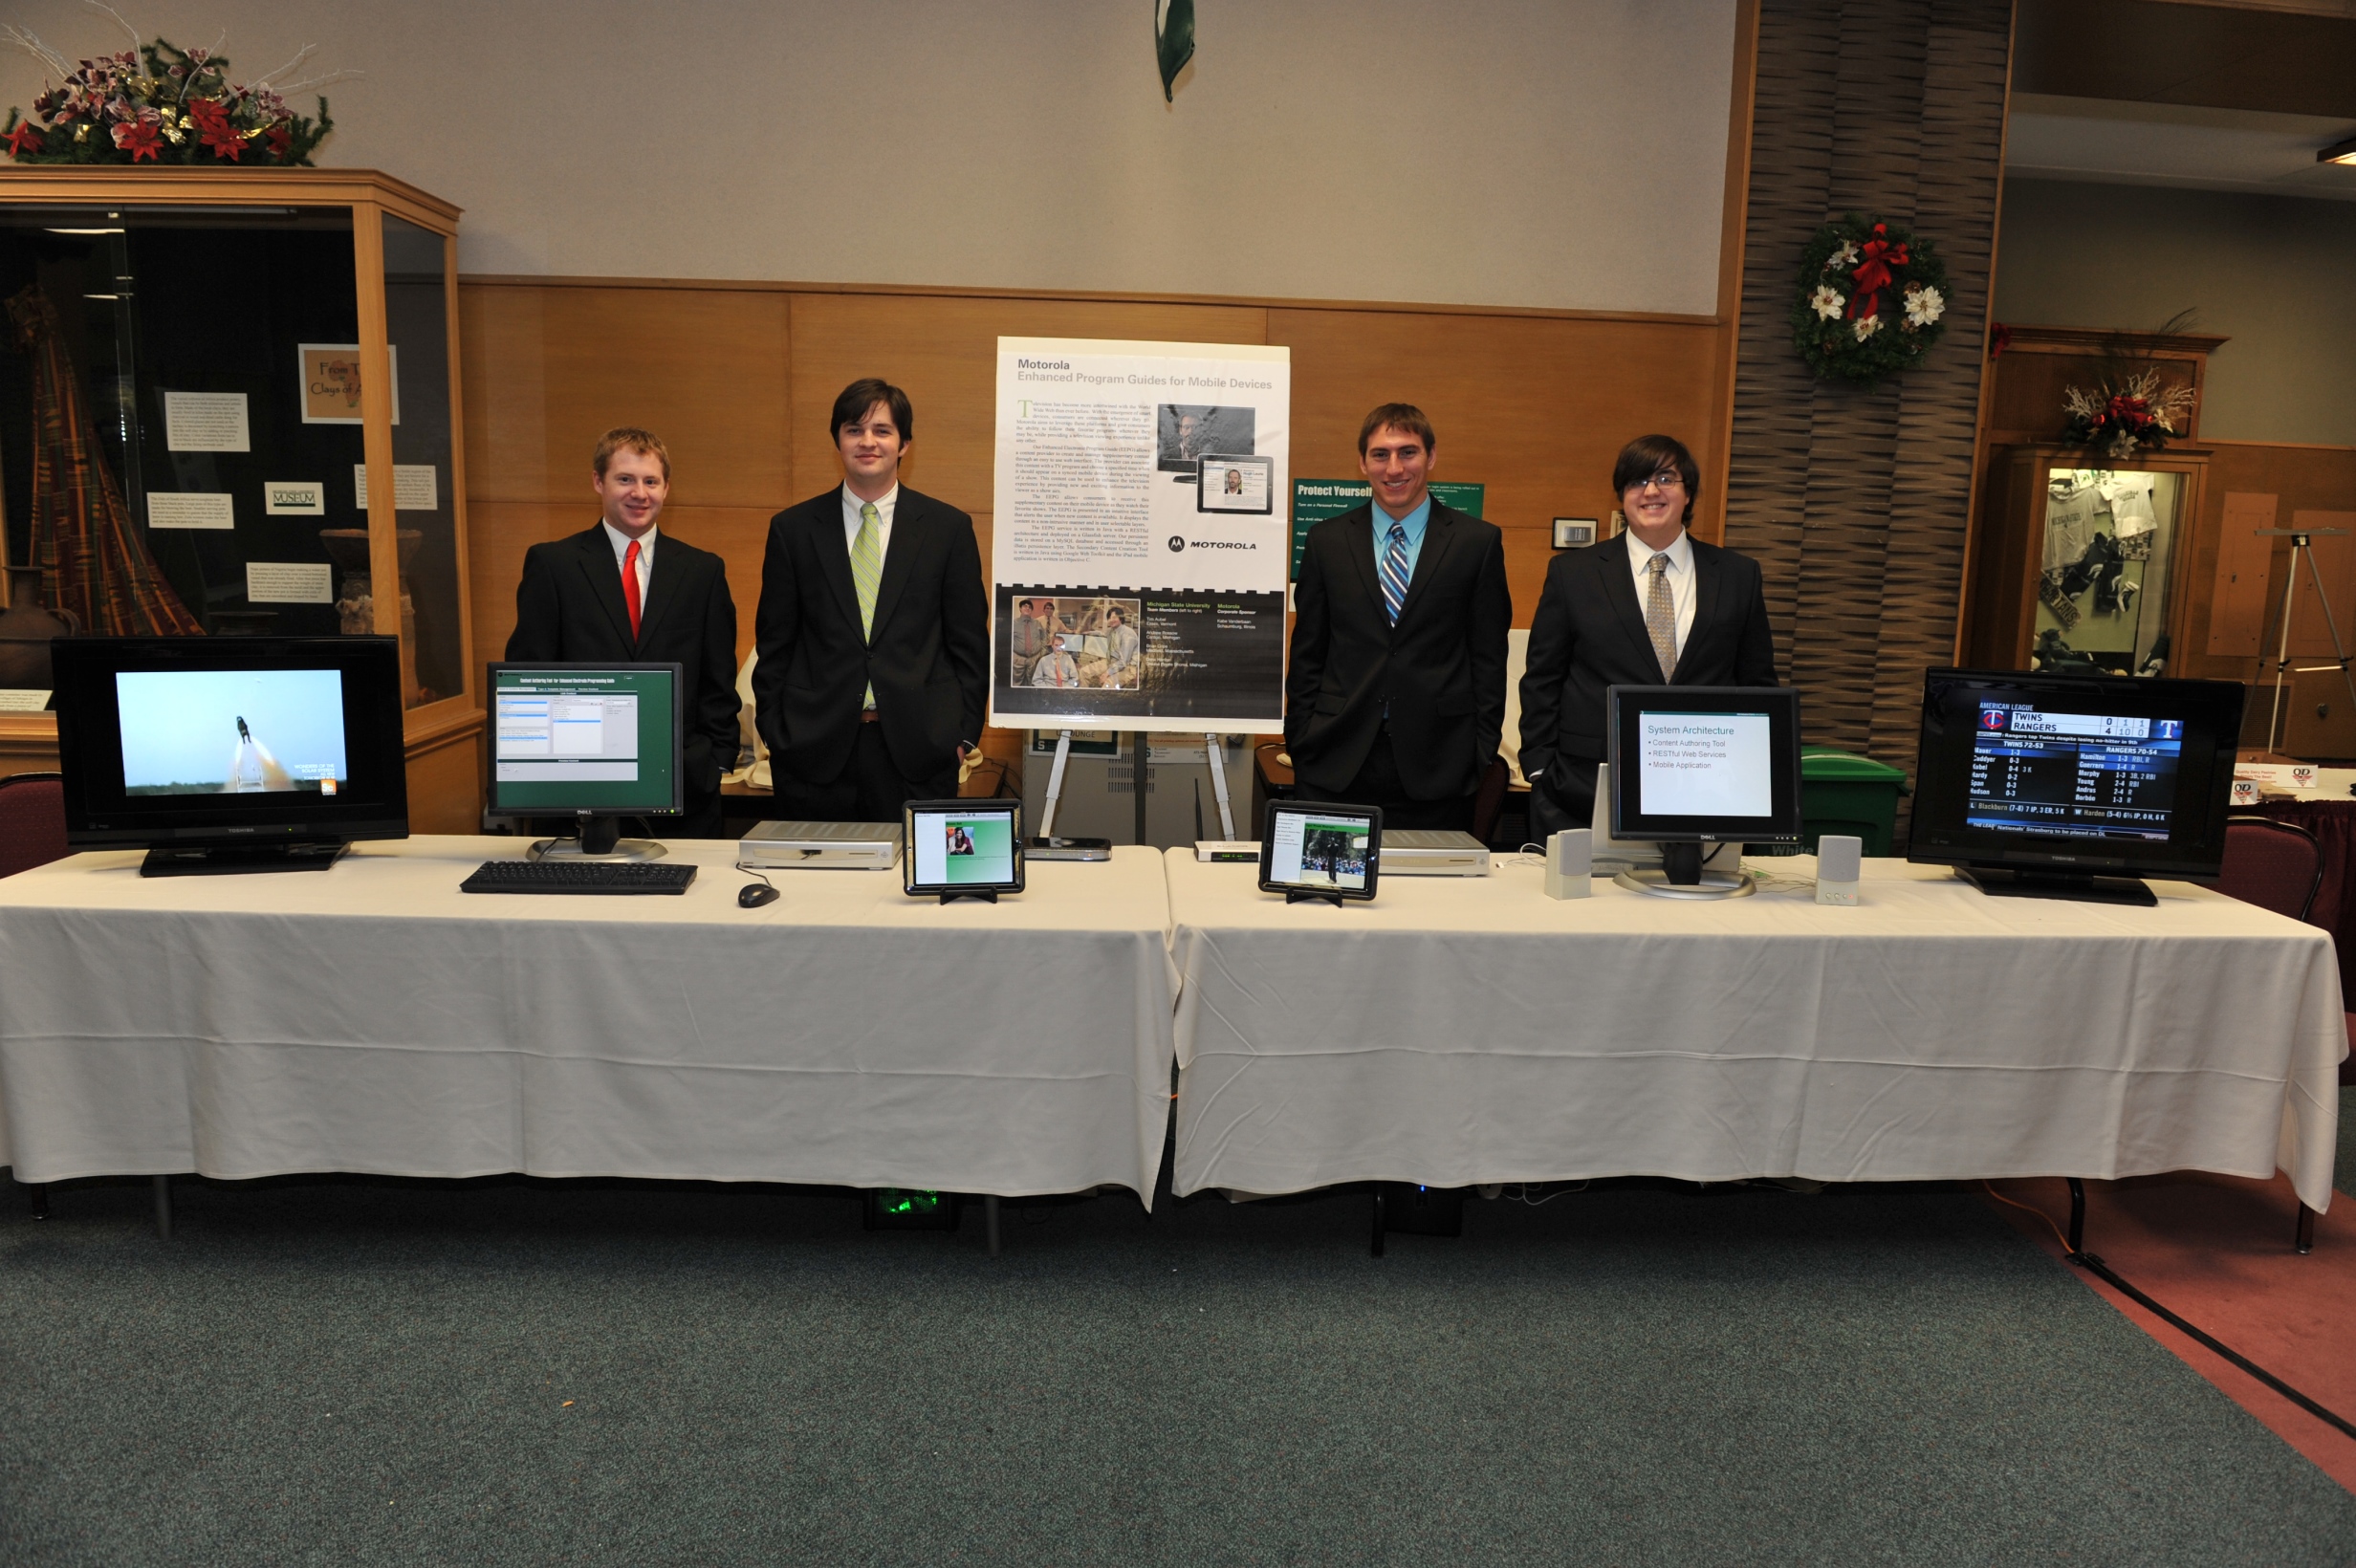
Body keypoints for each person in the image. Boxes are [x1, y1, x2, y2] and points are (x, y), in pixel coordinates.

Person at [753, 379, 989, 823]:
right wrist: (775, 729)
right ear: (837, 441)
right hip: (812, 750)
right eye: (854, 429)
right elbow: (775, 642)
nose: (867, 441)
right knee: (815, 870)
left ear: (904, 444)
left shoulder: (947, 529)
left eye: (882, 430)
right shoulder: (793, 529)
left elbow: (969, 644)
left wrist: (962, 737)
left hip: (919, 751)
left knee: (908, 870)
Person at [1517, 433, 1778, 836]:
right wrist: (1540, 767)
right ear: (1622, 496)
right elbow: (1542, 677)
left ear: (1688, 493)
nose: (1651, 491)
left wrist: (1755, 771)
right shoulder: (1574, 574)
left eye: (1665, 479)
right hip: (1585, 785)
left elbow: (1757, 682)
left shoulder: (1738, 576)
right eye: (1637, 481)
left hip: (1707, 785)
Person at [1284, 403, 1511, 833]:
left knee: (1431, 880)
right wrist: (1302, 738)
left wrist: (1479, 751)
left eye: (1408, 452)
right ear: (1362, 462)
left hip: (1440, 766)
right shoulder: (1326, 541)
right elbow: (1308, 653)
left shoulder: (1476, 543)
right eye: (1380, 454)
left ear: (1431, 457)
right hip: (1335, 762)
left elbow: (1488, 659)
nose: (1394, 468)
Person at [507, 426, 741, 837]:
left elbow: (718, 678)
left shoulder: (703, 571)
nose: (640, 493)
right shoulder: (554, 565)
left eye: (651, 481)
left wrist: (715, 760)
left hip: (682, 783)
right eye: (625, 479)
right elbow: (529, 676)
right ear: (598, 482)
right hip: (577, 784)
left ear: (666, 488)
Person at [1010, 596, 1047, 686]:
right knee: (1016, 684)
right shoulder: (1013, 624)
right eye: (1025, 606)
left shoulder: (1037, 623)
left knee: (1034, 684)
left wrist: (1041, 653)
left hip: (1035, 659)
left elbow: (1044, 638)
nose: (1027, 608)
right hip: (1018, 660)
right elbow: (1007, 641)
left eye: (1030, 607)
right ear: (1020, 609)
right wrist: (1014, 656)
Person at [1104, 605, 1140, 687]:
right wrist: (1088, 632)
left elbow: (1124, 661)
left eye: (1114, 617)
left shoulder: (1128, 633)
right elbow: (1101, 634)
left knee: (1107, 684)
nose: (1111, 620)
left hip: (1128, 667)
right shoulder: (1110, 631)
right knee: (1084, 672)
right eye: (1109, 618)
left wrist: (1107, 673)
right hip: (1112, 662)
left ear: (1121, 618)